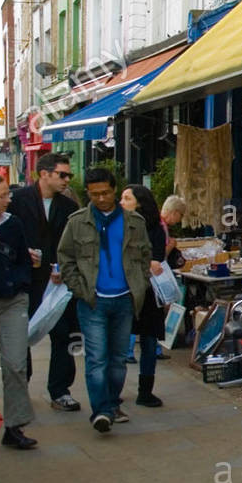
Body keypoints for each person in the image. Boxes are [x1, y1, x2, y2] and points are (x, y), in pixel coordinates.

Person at [57, 167, 152, 434]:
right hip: (93, 301)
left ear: (114, 190)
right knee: (97, 358)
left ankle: (111, 403)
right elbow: (66, 258)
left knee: (119, 359)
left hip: (125, 299)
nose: (101, 198)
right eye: (95, 194)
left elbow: (145, 256)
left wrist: (140, 285)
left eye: (106, 193)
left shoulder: (134, 222)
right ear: (88, 193)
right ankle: (102, 411)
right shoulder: (77, 222)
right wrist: (80, 289)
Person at [8, 151, 80, 413]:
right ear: (44, 174)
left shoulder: (69, 207)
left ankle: (60, 390)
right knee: (20, 336)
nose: (67, 180)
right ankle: (21, 387)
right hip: (25, 281)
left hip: (57, 282)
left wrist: (63, 267)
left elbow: (72, 244)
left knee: (64, 335)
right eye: (62, 174)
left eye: (69, 175)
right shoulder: (17, 200)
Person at [0, 175, 37, 449]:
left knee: (16, 364)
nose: (8, 199)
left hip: (12, 301)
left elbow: (24, 259)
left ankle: (14, 426)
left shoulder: (13, 224)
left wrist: (21, 282)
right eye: (2, 195)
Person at [120, 185, 167, 407]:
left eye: (126, 198)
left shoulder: (155, 228)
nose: (121, 202)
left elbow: (158, 259)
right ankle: (114, 389)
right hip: (123, 291)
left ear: (139, 202)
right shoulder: (117, 225)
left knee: (149, 342)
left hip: (148, 293)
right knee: (118, 342)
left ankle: (145, 391)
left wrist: (152, 263)